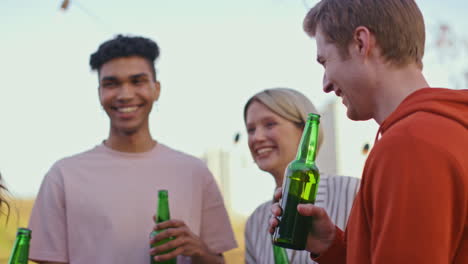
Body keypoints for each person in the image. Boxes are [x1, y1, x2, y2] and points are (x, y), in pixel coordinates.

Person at [269, 1, 468, 263]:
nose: (326, 84)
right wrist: (332, 247)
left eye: (324, 61)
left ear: (361, 43)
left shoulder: (409, 144)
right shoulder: (446, 128)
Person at [28, 35, 237, 264]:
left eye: (137, 81)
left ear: (156, 89)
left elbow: (218, 260)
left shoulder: (196, 173)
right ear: (99, 93)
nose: (125, 94)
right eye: (111, 83)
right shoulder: (63, 176)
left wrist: (199, 250)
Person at [244, 88, 360, 263]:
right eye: (251, 129)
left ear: (305, 130)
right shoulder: (255, 221)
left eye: (270, 124)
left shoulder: (353, 193)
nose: (257, 137)